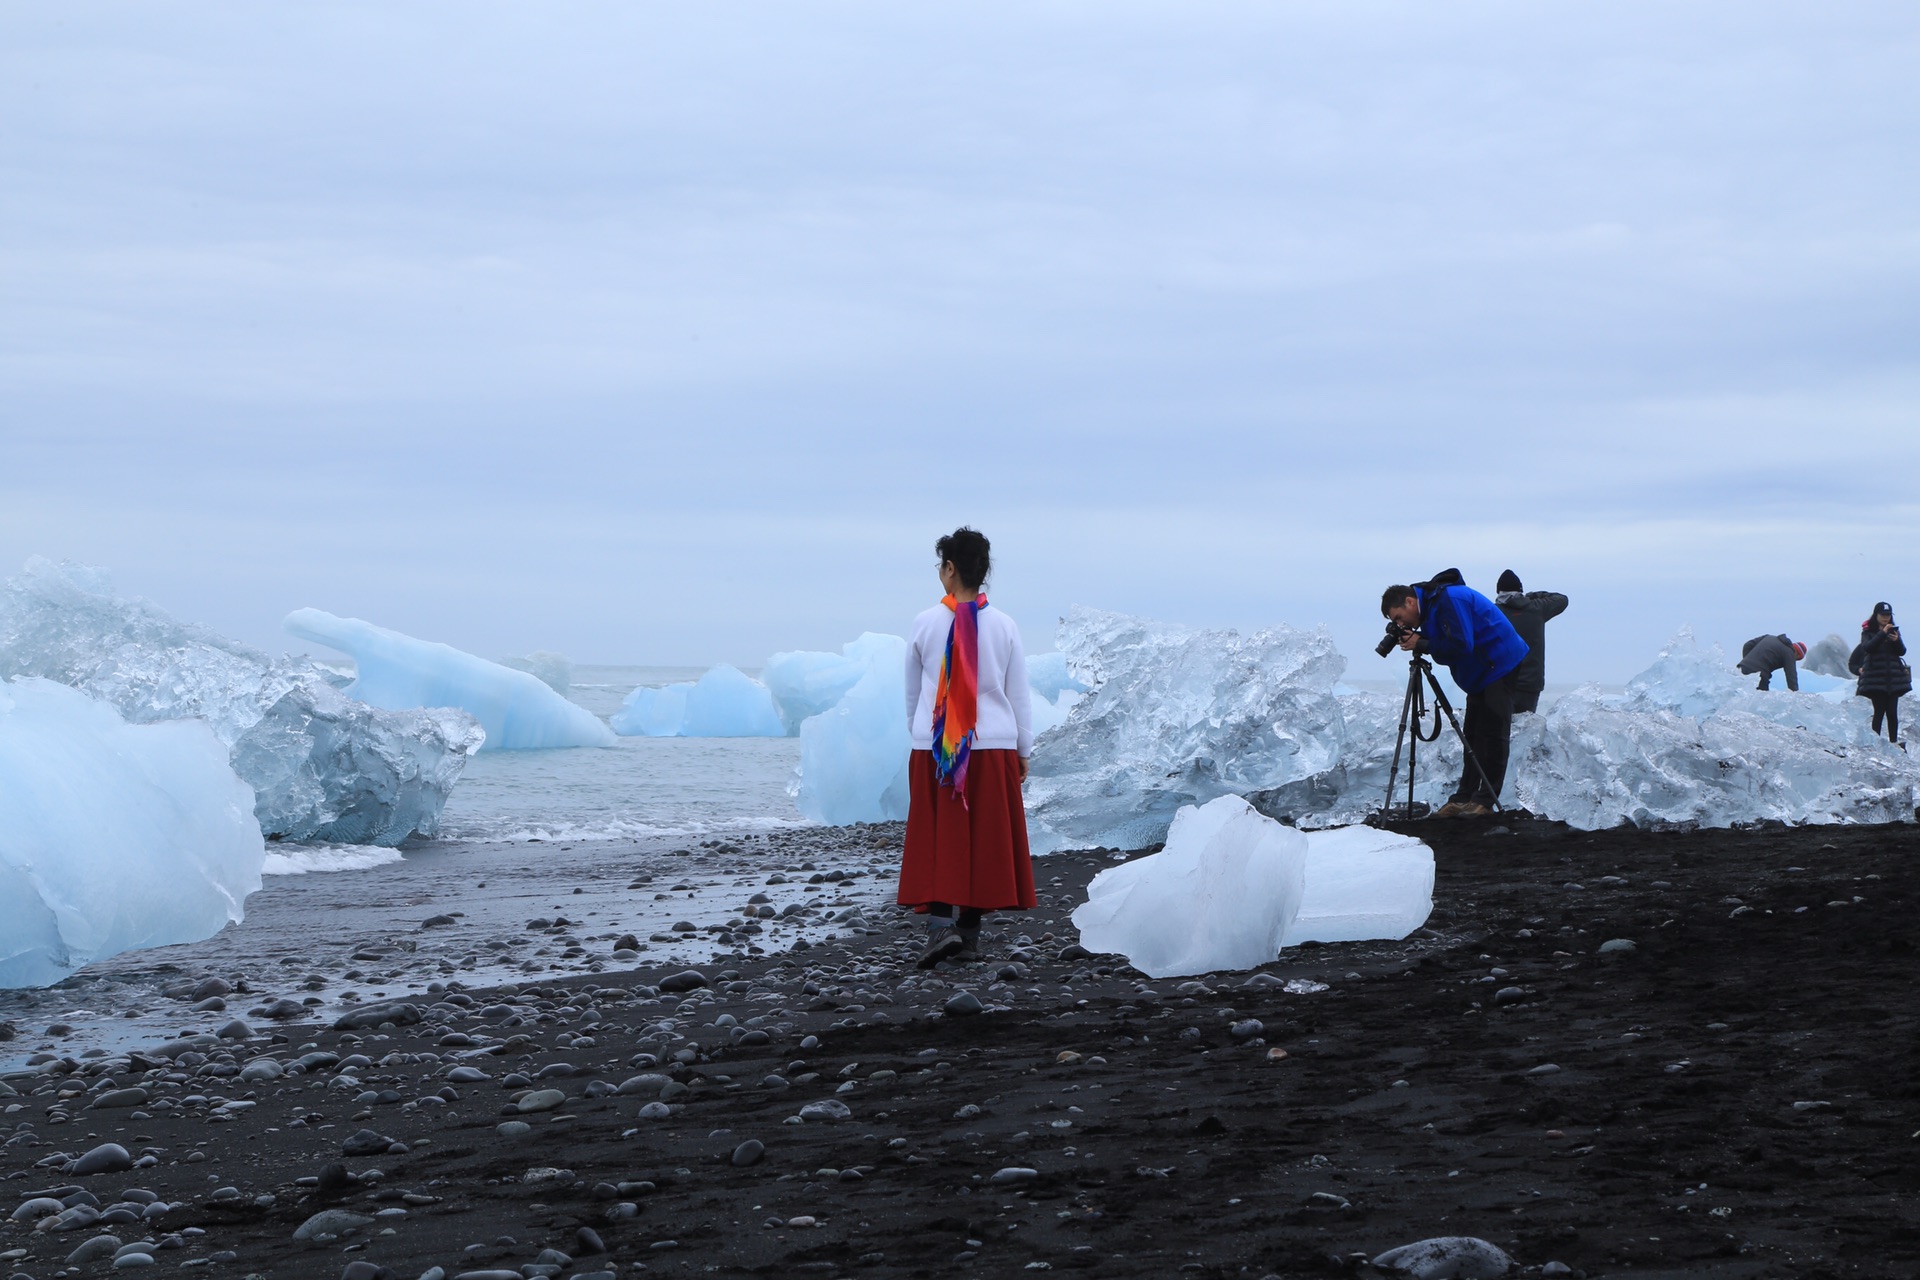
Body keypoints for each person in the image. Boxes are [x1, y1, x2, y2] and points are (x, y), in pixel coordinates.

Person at [898, 527, 1037, 967]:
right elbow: (1019, 695)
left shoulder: (924, 622)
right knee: (984, 838)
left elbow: (910, 690)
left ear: (950, 570)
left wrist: (920, 733)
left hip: (937, 748)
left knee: (940, 838)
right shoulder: (1005, 626)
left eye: (942, 565)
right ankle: (970, 934)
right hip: (993, 745)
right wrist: (1023, 749)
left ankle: (941, 930)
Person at [1381, 571, 1529, 818]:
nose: (1402, 624)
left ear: (1409, 601)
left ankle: (1484, 801)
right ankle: (1464, 797)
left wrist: (1422, 644)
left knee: (1493, 733)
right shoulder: (1430, 607)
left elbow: (1461, 645)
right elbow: (1448, 641)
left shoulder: (1449, 598)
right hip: (1481, 671)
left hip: (1500, 664)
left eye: (1399, 617)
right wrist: (1422, 640)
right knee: (1472, 735)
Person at [1493, 570, 1568, 715]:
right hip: (1530, 684)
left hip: (1500, 682)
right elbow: (1562, 599)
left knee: (1500, 731)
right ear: (1520, 589)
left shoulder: (1493, 613)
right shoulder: (1536, 608)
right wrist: (1532, 595)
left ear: (1498, 591)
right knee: (1524, 732)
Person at [1848, 602, 1909, 747]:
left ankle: (1894, 743)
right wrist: (1882, 633)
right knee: (1879, 712)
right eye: (1882, 615)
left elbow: (1902, 652)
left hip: (1892, 680)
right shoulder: (1868, 632)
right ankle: (1874, 743)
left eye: (1888, 615)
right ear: (1876, 615)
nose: (1885, 618)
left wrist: (1897, 640)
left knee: (1893, 714)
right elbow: (1868, 647)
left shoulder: (1894, 632)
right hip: (1876, 680)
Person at [1738, 634, 1804, 692]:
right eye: (1796, 659)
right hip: (1759, 676)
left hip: (1741, 668)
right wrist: (1795, 698)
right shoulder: (1789, 652)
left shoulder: (1768, 637)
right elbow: (1791, 677)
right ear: (1797, 654)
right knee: (1760, 703)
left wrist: (1747, 662)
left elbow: (1747, 645)